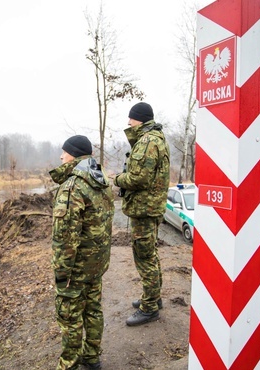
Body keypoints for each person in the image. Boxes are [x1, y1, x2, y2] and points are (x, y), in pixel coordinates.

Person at [49, 135, 114, 370]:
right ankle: (92, 357)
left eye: (64, 152)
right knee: (94, 309)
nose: (60, 156)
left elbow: (65, 238)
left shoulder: (72, 186)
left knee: (69, 317)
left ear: (74, 154)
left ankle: (69, 364)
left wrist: (61, 274)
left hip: (76, 269)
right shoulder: (101, 181)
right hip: (96, 264)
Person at [113, 102, 170, 326]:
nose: (128, 123)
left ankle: (149, 309)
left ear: (140, 119)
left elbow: (138, 178)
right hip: (149, 207)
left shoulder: (147, 141)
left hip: (145, 210)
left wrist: (116, 179)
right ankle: (154, 298)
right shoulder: (156, 138)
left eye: (131, 119)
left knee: (144, 257)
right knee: (150, 254)